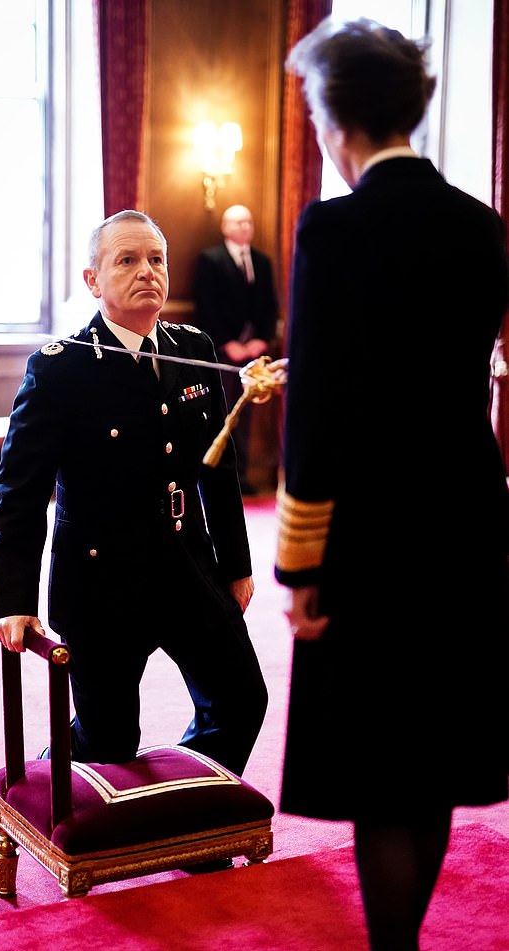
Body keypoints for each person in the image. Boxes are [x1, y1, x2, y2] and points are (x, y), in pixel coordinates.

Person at [275, 17, 509, 951]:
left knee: (384, 768)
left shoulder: (333, 228)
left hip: (372, 536)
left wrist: (301, 569)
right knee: (436, 756)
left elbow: (316, 415)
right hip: (468, 521)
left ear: (334, 122)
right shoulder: (483, 227)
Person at [0, 209, 268, 790]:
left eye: (157, 259)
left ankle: (187, 810)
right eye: (128, 260)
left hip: (187, 567)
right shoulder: (58, 370)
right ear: (93, 280)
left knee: (243, 700)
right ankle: (46, 781)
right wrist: (12, 599)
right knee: (110, 743)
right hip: (100, 583)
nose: (148, 272)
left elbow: (218, 471)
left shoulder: (191, 348)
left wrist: (236, 567)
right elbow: (18, 492)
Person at [193, 204, 279, 493]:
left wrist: (261, 340)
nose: (245, 227)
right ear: (225, 227)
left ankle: (242, 475)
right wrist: (228, 343)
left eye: (248, 222)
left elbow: (269, 305)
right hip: (223, 351)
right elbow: (206, 305)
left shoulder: (262, 261)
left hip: (253, 352)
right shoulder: (210, 259)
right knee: (223, 411)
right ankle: (222, 475)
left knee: (247, 415)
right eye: (238, 222)